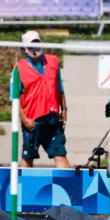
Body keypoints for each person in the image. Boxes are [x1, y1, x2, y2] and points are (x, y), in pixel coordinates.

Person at [15, 30, 70, 169]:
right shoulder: (18, 68)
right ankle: (23, 187)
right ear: (24, 49)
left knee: (60, 154)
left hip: (53, 118)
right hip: (32, 121)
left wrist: (64, 108)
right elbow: (14, 98)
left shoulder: (52, 61)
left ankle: (68, 187)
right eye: (30, 46)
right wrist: (24, 119)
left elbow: (60, 88)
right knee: (28, 156)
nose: (35, 48)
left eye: (37, 44)